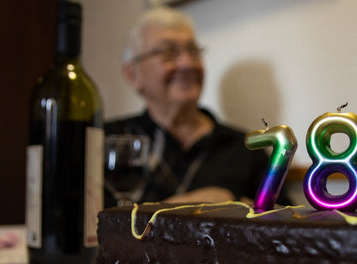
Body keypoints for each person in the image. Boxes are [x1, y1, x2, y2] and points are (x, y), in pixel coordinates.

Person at [105, 6, 290, 207]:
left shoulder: (246, 147)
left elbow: (283, 224)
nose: (187, 63)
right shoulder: (109, 140)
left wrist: (232, 202)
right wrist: (192, 203)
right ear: (133, 75)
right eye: (169, 53)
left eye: (193, 51)